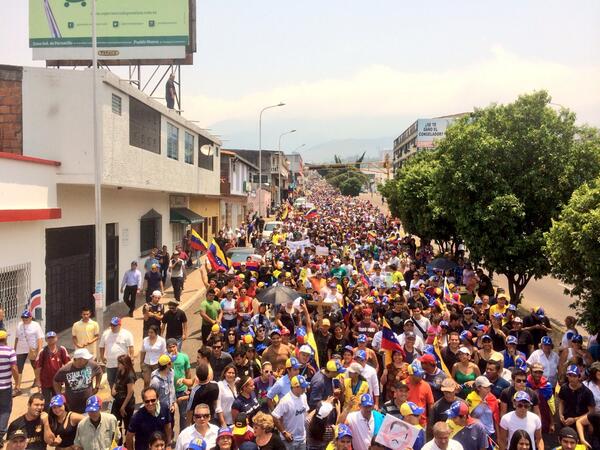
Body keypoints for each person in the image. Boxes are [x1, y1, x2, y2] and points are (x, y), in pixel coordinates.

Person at [53, 348, 103, 414]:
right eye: (84, 359)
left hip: (88, 403)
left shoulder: (91, 365)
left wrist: (97, 386)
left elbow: (99, 371)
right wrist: (59, 394)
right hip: (72, 405)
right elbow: (56, 380)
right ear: (78, 359)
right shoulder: (65, 370)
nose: (87, 360)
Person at [272, 375, 309, 450]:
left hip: (302, 438)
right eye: (303, 387)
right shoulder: (286, 400)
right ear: (296, 387)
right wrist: (284, 432)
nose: (305, 389)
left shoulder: (304, 396)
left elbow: (306, 412)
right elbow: (275, 417)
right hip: (290, 440)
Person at [34, 331, 70, 407]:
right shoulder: (43, 351)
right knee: (46, 402)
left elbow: (67, 364)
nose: (51, 340)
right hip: (45, 381)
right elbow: (38, 368)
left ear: (56, 338)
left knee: (58, 399)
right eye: (49, 338)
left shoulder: (62, 349)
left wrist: (67, 378)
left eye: (52, 337)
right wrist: (38, 381)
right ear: (46, 340)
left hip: (58, 381)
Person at [14, 310, 44, 395]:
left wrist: (39, 351)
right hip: (20, 350)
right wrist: (14, 349)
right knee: (19, 368)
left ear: (31, 317)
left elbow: (40, 339)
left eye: (26, 317)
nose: (24, 319)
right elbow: (16, 338)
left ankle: (38, 383)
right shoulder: (19, 325)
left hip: (32, 349)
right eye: (23, 317)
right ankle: (17, 387)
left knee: (35, 367)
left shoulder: (36, 325)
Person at [99, 317, 135, 388]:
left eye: (114, 325)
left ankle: (123, 397)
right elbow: (101, 346)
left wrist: (132, 357)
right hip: (110, 364)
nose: (112, 327)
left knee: (123, 381)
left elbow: (131, 347)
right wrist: (102, 357)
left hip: (122, 364)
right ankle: (114, 397)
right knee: (111, 381)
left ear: (119, 325)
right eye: (111, 325)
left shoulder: (127, 334)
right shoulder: (105, 334)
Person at [110, 355, 136, 437]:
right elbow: (115, 382)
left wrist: (123, 407)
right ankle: (118, 443)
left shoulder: (130, 376)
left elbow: (130, 393)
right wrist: (113, 389)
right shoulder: (119, 371)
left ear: (125, 364)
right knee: (116, 424)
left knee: (128, 425)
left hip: (127, 404)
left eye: (120, 363)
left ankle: (128, 444)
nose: (118, 365)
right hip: (117, 402)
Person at [0, 329, 18, 443]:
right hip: (5, 386)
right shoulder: (10, 351)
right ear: (5, 339)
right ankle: (0, 435)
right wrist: (17, 383)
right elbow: (14, 368)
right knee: (5, 409)